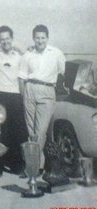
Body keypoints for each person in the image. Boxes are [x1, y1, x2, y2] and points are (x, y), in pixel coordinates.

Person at [19, 24, 66, 169]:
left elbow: (63, 73)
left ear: (47, 38)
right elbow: (21, 78)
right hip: (29, 89)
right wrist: (23, 96)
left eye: (43, 38)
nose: (40, 41)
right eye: (37, 38)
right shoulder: (27, 55)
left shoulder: (56, 53)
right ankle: (37, 164)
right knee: (31, 130)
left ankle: (34, 166)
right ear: (33, 38)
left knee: (41, 130)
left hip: (47, 90)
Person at [0, 26, 28, 176]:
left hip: (15, 95)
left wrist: (17, 46)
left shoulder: (19, 56)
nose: (5, 42)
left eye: (8, 38)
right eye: (2, 39)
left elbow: (28, 55)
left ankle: (17, 164)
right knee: (0, 131)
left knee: (18, 131)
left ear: (12, 38)